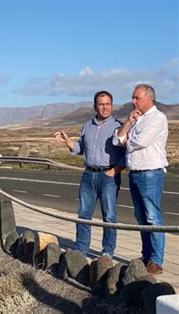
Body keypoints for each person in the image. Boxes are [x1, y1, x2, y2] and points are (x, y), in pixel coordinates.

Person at [54, 90, 125, 257]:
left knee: (109, 216)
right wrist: (69, 142)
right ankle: (81, 249)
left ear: (112, 106)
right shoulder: (87, 126)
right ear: (95, 106)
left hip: (109, 176)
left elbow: (126, 154)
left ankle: (107, 252)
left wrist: (113, 172)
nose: (105, 107)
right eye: (101, 104)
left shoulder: (118, 126)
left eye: (108, 104)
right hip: (88, 175)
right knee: (84, 214)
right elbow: (81, 148)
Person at [113, 84, 168, 275]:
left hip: (150, 172)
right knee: (141, 217)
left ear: (148, 98)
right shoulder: (137, 119)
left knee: (153, 217)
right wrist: (127, 122)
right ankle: (146, 256)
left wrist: (126, 139)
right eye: (133, 97)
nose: (133, 101)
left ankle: (156, 260)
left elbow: (139, 142)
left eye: (137, 98)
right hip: (135, 172)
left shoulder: (157, 118)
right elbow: (117, 140)